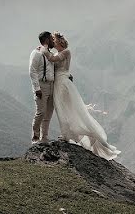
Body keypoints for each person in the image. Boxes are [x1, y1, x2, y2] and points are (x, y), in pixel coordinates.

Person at [41, 31, 121, 160]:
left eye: (54, 41)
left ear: (58, 41)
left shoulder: (66, 52)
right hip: (58, 83)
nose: (52, 43)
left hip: (62, 83)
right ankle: (66, 133)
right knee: (61, 108)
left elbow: (53, 59)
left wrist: (44, 49)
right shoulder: (57, 52)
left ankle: (68, 135)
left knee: (65, 108)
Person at [29, 31, 55, 143]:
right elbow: (32, 71)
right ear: (47, 40)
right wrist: (37, 88)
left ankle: (44, 138)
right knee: (41, 112)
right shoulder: (36, 53)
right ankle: (35, 138)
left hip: (52, 85)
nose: (53, 41)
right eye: (51, 39)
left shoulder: (50, 54)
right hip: (42, 85)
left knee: (48, 113)